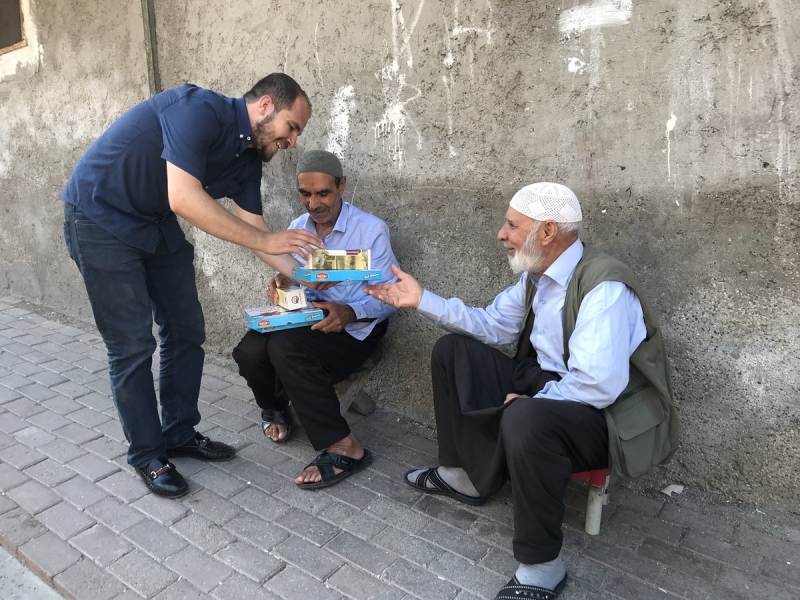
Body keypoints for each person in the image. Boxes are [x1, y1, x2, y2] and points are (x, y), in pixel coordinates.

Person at [365, 182, 679, 600]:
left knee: (526, 416)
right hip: (546, 384)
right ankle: (465, 476)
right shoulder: (538, 277)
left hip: (601, 414)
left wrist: (533, 402)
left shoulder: (604, 287)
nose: (501, 233)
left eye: (512, 225)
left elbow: (598, 384)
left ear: (547, 232)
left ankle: (542, 566)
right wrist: (422, 299)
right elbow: (493, 325)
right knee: (453, 351)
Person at [61, 73, 323, 498]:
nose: (292, 141)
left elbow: (254, 230)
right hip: (99, 217)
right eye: (291, 127)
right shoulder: (197, 110)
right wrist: (266, 240)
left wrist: (318, 278)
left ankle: (179, 433)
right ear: (264, 107)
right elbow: (184, 197)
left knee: (186, 331)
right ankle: (148, 453)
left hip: (152, 223)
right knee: (131, 346)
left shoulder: (249, 158)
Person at [232, 150, 398, 489]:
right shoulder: (297, 228)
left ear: (341, 186)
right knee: (248, 349)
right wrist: (285, 284)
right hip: (308, 320)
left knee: (284, 347)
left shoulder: (370, 230)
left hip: (355, 329)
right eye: (305, 194)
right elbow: (296, 278)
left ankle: (344, 445)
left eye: (323, 193)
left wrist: (349, 312)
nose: (313, 203)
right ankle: (275, 408)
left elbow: (391, 295)